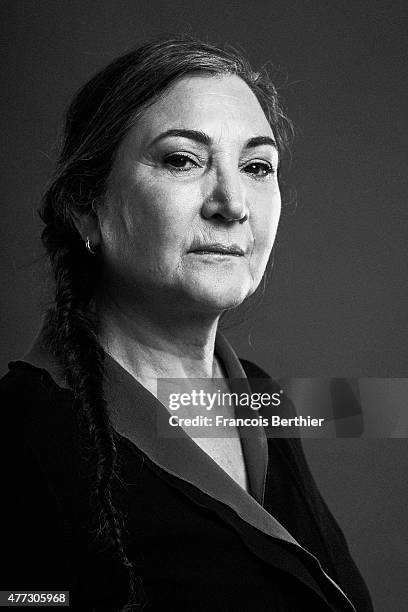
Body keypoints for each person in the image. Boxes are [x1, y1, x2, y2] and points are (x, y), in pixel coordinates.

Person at [0, 36, 373, 611]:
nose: (232, 202)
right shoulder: (19, 434)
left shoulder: (262, 396)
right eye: (182, 159)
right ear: (84, 206)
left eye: (256, 166)